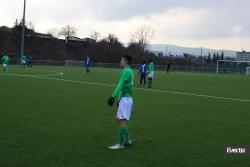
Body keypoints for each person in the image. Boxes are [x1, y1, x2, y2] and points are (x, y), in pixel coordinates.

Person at [107, 55, 134, 150]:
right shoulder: (130, 71)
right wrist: (118, 99)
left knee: (121, 121)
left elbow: (120, 84)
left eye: (122, 59)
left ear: (126, 61)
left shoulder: (126, 71)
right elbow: (123, 86)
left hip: (125, 99)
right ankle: (127, 140)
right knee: (119, 120)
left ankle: (121, 144)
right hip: (126, 99)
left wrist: (113, 96)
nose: (120, 61)